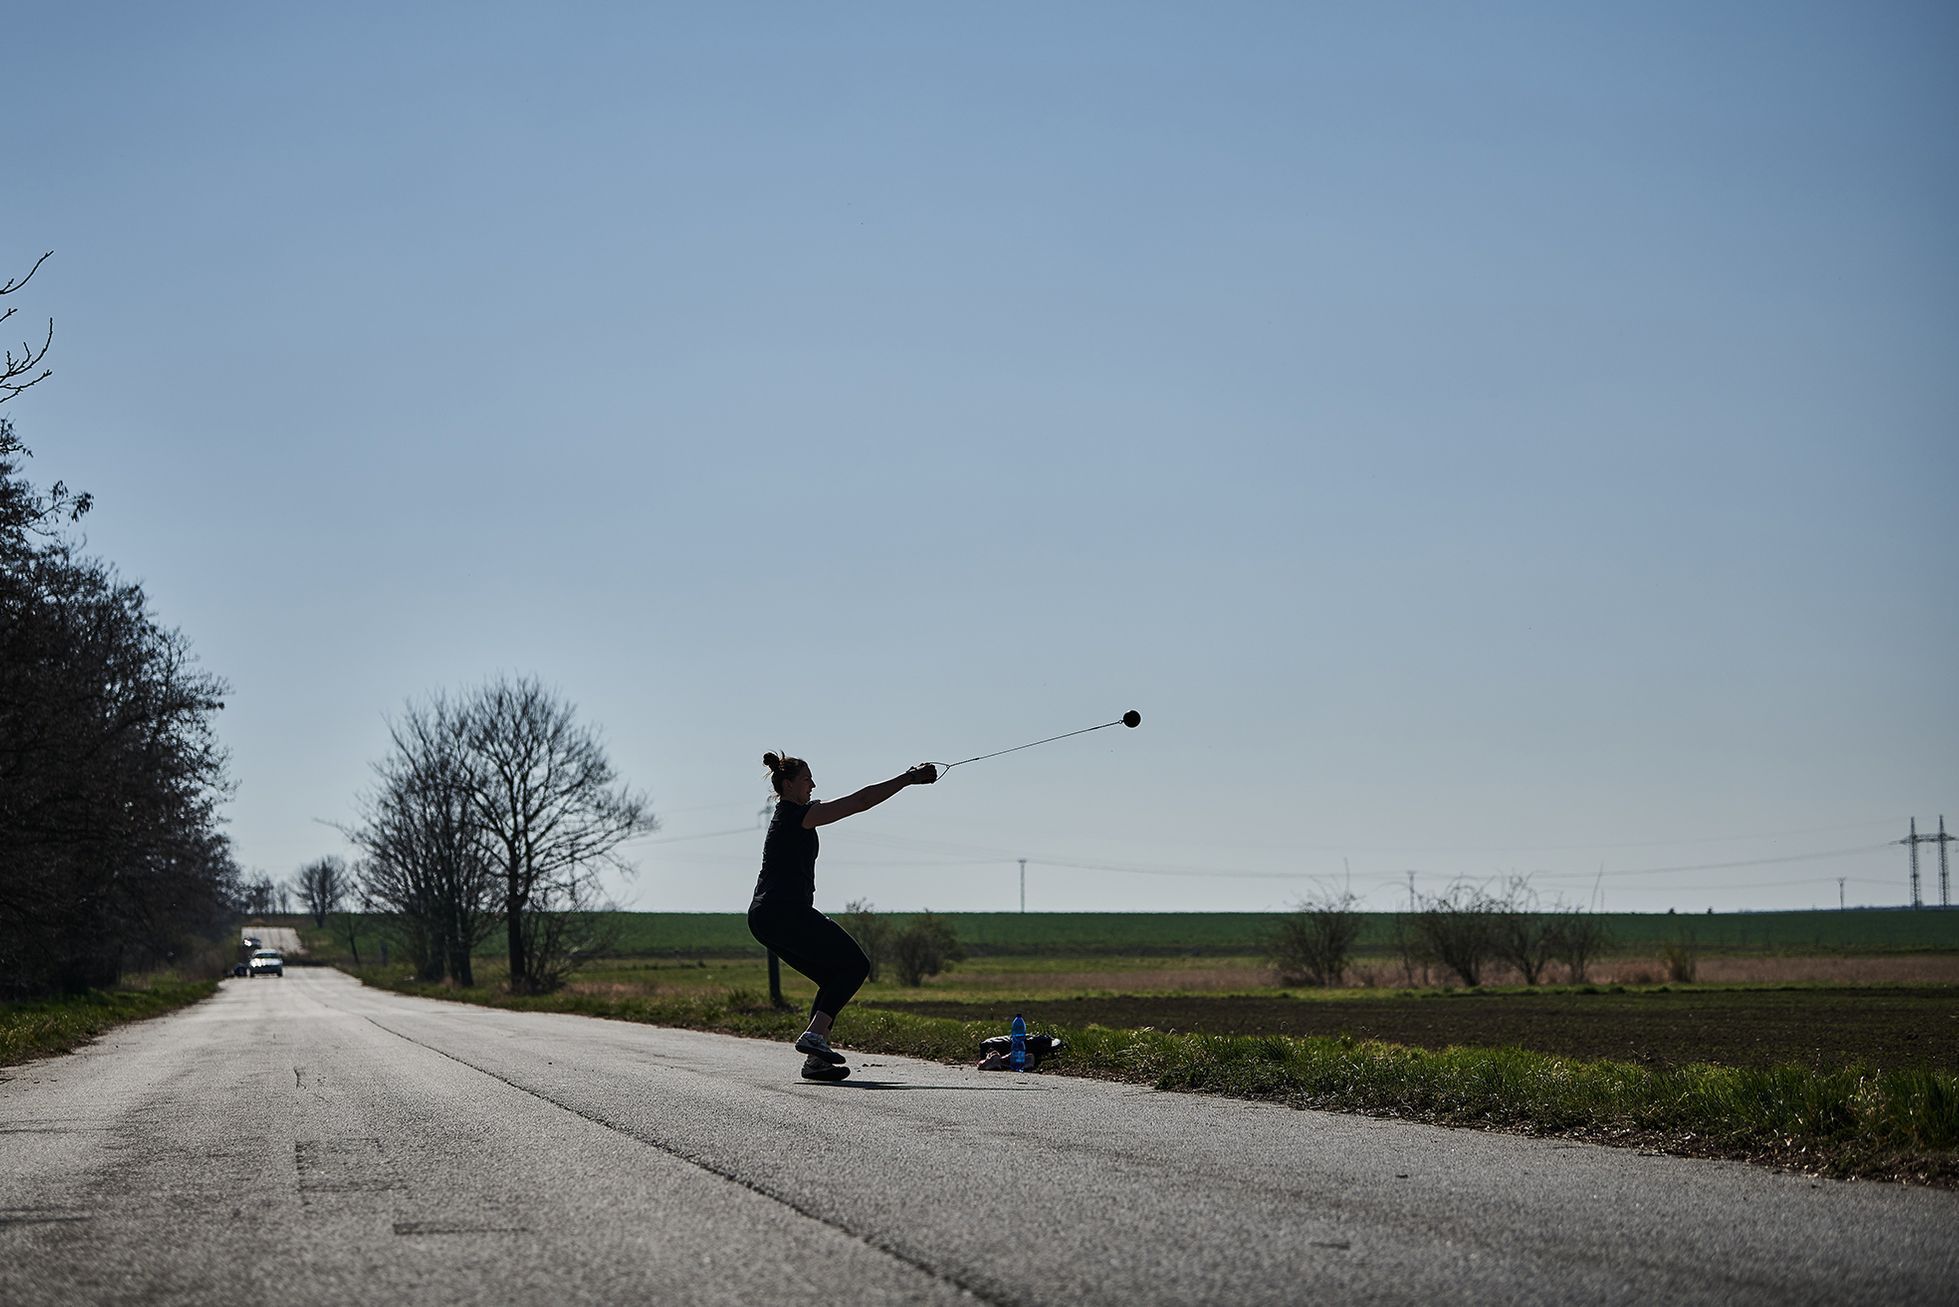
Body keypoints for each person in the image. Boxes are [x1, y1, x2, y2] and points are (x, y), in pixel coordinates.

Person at [750, 751, 936, 1081]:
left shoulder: (788, 815)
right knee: (856, 965)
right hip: (784, 911)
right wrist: (908, 778)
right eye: (807, 779)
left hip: (766, 916)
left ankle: (816, 1061)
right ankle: (814, 1037)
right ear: (789, 784)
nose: (813, 784)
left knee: (835, 976)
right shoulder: (799, 815)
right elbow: (861, 801)